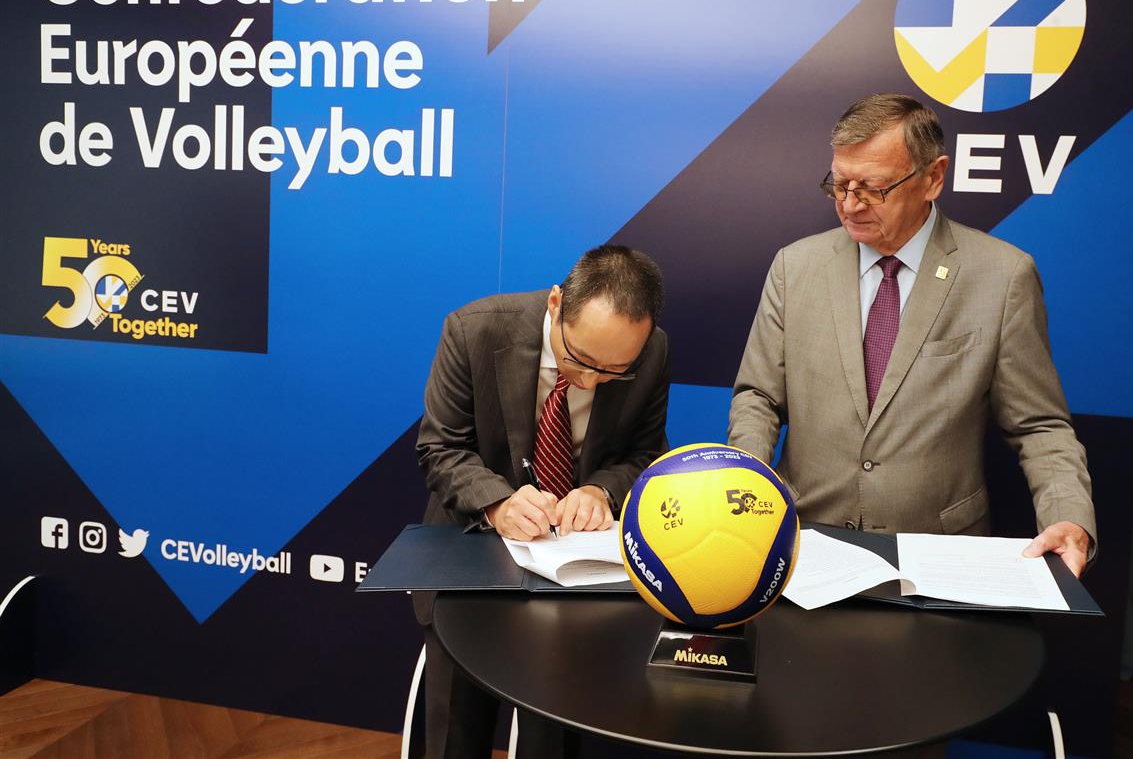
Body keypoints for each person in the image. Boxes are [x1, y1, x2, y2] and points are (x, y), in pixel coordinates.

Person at [728, 93, 1096, 576]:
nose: (850, 205)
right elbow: (757, 396)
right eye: (839, 185)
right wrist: (747, 492)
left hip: (938, 554)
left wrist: (1068, 516)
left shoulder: (1002, 277)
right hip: (805, 543)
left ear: (933, 178)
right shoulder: (794, 267)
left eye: (873, 189)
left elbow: (1038, 426)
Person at [413, 244, 669, 759]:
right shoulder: (474, 330)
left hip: (573, 570)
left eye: (614, 370)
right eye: (580, 359)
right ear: (556, 303)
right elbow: (440, 448)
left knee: (555, 731)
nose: (590, 380)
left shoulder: (652, 351)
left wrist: (601, 491)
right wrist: (498, 504)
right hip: (471, 558)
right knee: (454, 731)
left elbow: (646, 453)